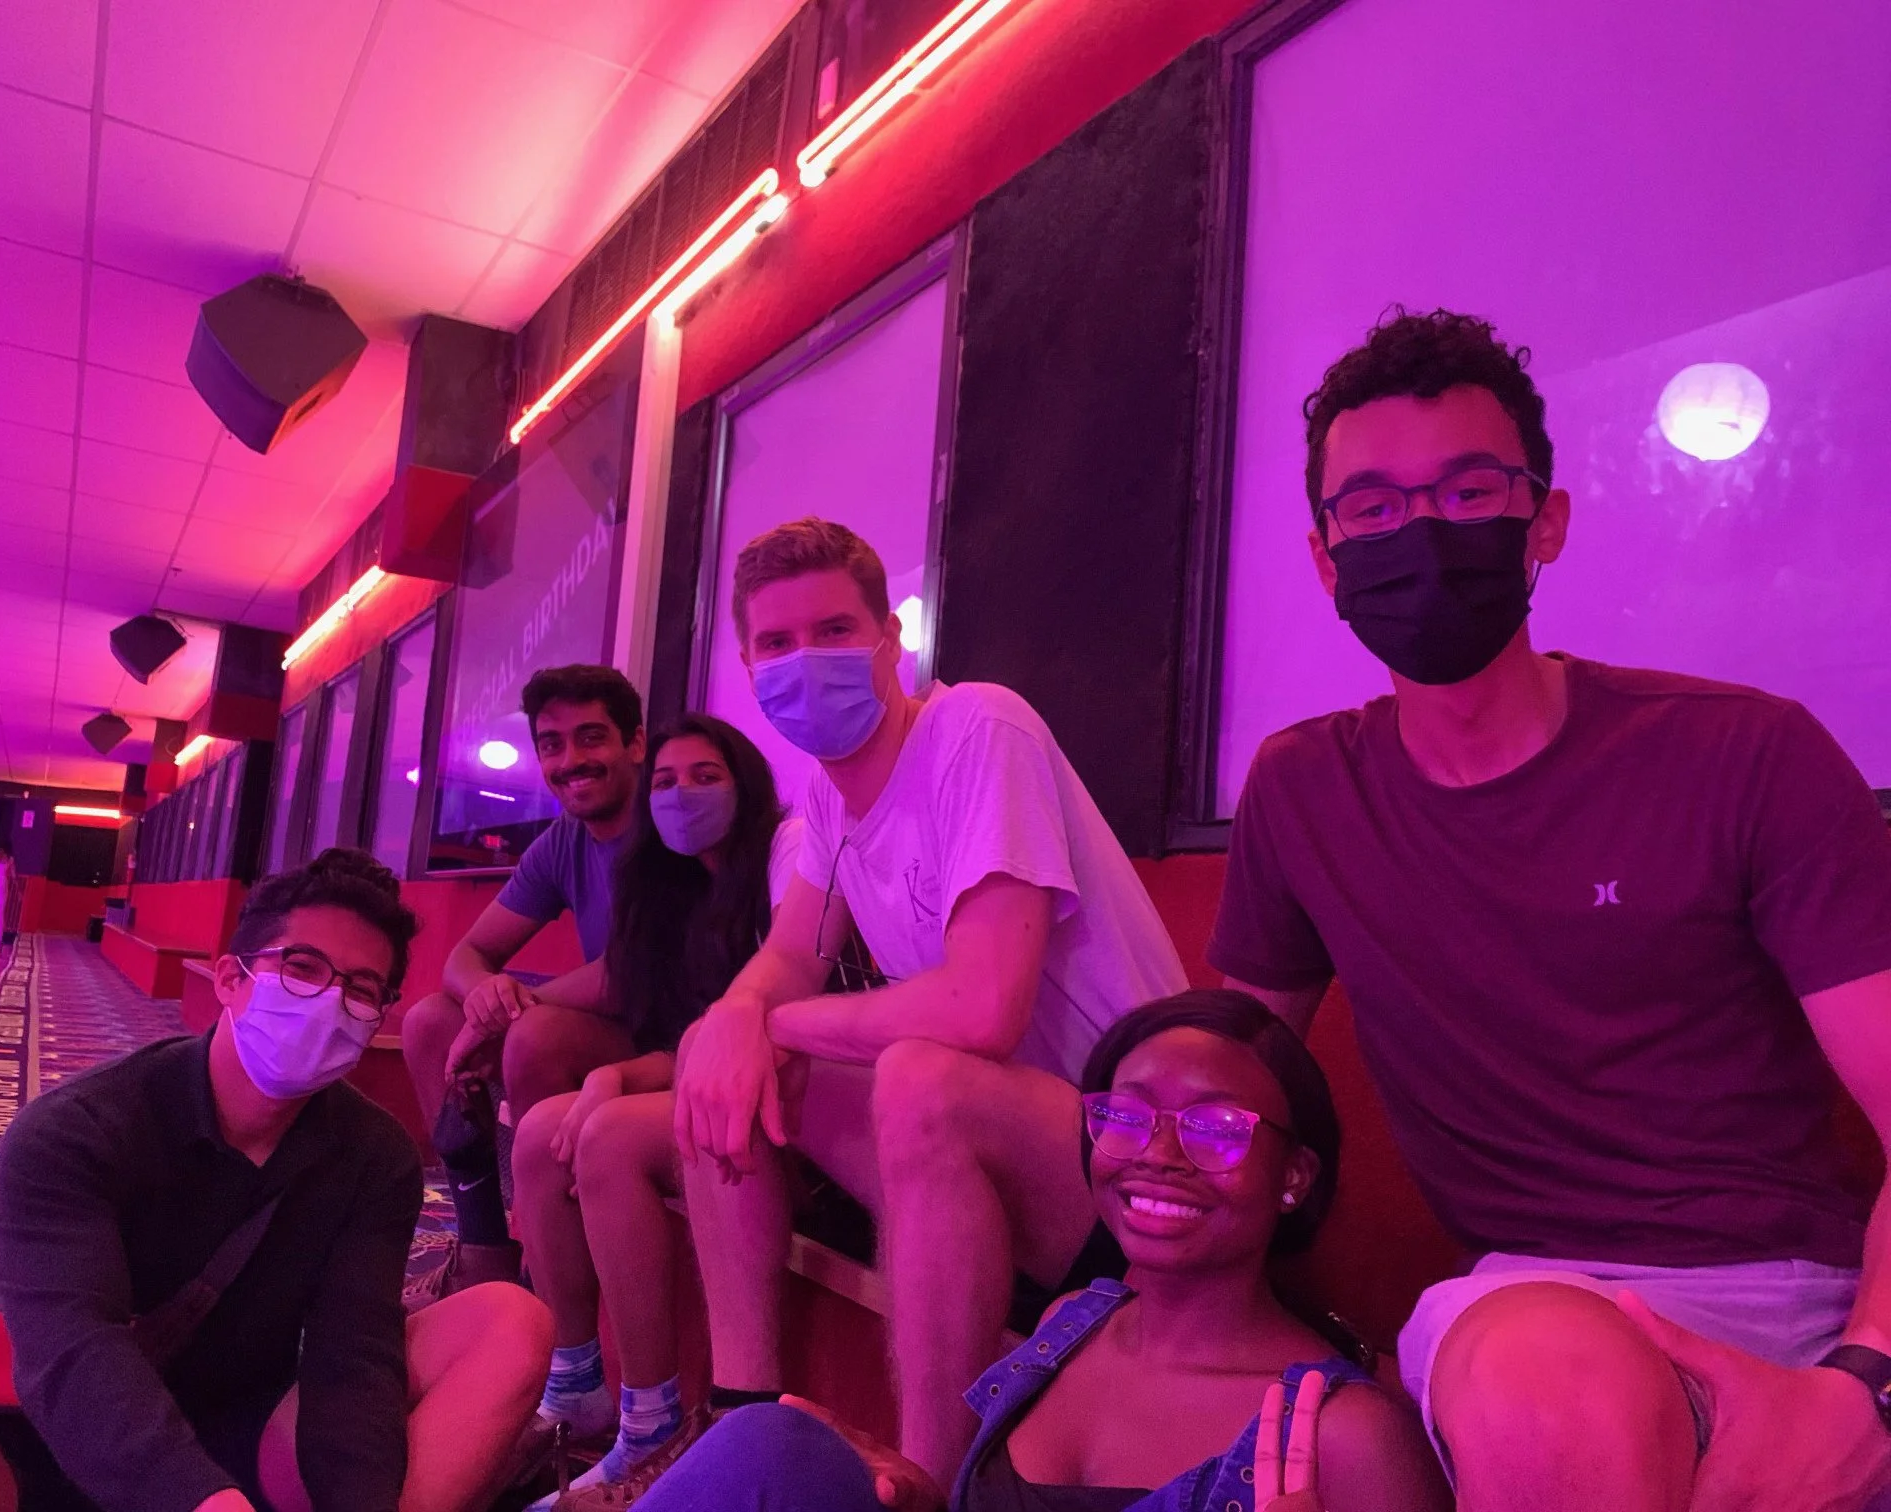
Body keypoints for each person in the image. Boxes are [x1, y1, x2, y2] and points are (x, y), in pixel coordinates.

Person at [1208, 309, 1891, 1511]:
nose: (1423, 532)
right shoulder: (1305, 791)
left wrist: (1866, 1389)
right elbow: (1222, 1077)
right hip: (1531, 1300)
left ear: (1547, 521)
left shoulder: (1745, 753)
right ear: (1325, 557)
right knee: (1543, 1380)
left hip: (1806, 1303)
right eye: (1373, 508)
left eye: (1469, 492)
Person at [671, 518, 1189, 1486]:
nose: (806, 661)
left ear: (890, 638)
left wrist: (765, 1023)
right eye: (777, 643)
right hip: (1022, 1157)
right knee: (717, 1064)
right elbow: (787, 957)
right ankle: (740, 1422)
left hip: (1143, 1156)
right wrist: (734, 1022)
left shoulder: (977, 728)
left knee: (918, 1076)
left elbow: (983, 1009)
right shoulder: (828, 800)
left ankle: (932, 1480)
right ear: (749, 667)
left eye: (834, 630)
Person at [0, 848, 554, 1512]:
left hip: (241, 1436)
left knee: (508, 1321)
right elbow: (73, 1354)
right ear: (230, 978)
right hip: (39, 1439)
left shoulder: (375, 1156)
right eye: (302, 968)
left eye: (359, 988)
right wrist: (200, 1501)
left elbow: (351, 1360)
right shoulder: (74, 1131)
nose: (328, 1001)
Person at [632, 991, 1449, 1512]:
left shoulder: (1348, 1436)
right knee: (768, 1447)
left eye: (1214, 1128)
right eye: (1126, 1117)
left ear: (1294, 1177)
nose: (1158, 1154)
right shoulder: (1069, 1328)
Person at [501, 715, 798, 1506]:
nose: (681, 796)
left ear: (745, 785)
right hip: (706, 1081)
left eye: (706, 777)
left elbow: (755, 1037)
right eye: (665, 783)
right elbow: (682, 1038)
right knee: (539, 1132)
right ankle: (576, 1380)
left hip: (788, 1095)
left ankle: (651, 1422)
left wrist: (617, 1084)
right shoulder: (666, 893)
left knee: (606, 1136)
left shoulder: (782, 867)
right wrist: (616, 1074)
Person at [399, 665, 646, 1304]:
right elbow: (468, 955)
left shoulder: (668, 824)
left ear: (635, 744)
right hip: (608, 1019)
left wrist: (506, 1009)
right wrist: (486, 992)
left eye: (592, 737)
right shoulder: (563, 841)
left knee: (536, 1035)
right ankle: (483, 1250)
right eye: (552, 744)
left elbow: (635, 972)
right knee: (431, 1021)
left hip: (672, 1032)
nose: (571, 760)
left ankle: (550, 1273)